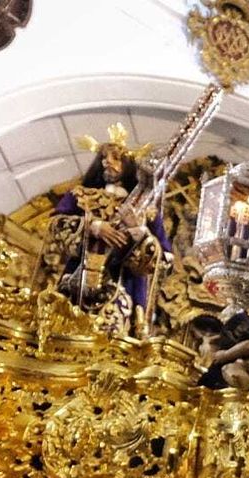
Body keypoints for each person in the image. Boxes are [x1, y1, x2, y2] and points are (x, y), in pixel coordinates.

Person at [46, 126, 168, 336]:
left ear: (128, 166)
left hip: (121, 289)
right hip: (75, 282)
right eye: (104, 157)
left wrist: (137, 230)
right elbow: (54, 225)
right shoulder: (80, 196)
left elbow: (164, 261)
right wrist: (93, 226)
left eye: (115, 158)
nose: (107, 162)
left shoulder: (146, 210)